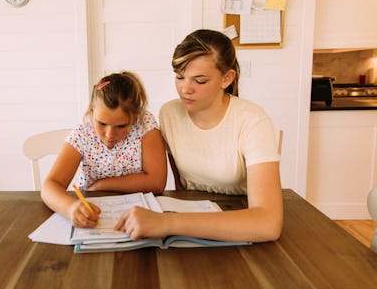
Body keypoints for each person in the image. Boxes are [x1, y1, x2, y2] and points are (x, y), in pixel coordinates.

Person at [115, 29, 283, 243]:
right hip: (191, 224)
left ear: (227, 78)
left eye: (200, 81)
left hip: (241, 224)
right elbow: (181, 188)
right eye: (179, 77)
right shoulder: (169, 114)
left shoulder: (253, 121)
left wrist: (167, 223)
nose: (185, 89)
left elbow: (268, 223)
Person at [41, 71, 167, 228]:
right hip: (91, 214)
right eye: (101, 123)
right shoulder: (83, 134)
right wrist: (71, 208)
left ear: (134, 117)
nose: (109, 135)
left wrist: (101, 185)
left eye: (121, 126)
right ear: (92, 112)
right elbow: (49, 186)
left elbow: (156, 182)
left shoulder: (145, 124)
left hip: (139, 216)